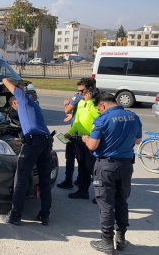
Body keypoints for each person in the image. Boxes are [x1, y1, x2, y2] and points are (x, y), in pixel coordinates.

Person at [82, 92, 142, 254]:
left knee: (106, 204)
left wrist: (86, 139)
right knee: (122, 201)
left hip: (106, 166)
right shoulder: (133, 117)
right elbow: (137, 141)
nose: (100, 112)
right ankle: (121, 239)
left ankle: (107, 241)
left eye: (99, 109)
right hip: (126, 165)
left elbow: (93, 146)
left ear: (102, 105)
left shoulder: (102, 119)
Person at [0, 78, 53, 226]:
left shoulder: (21, 99)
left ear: (14, 102)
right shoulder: (34, 106)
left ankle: (15, 215)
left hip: (34, 144)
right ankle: (45, 215)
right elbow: (34, 128)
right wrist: (21, 142)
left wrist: (18, 83)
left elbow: (5, 80)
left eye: (13, 107)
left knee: (20, 179)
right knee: (45, 181)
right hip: (46, 142)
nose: (15, 110)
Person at [64, 78, 100, 201]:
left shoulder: (97, 103)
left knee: (94, 168)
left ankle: (100, 194)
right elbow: (77, 121)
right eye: (78, 91)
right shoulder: (80, 102)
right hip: (80, 139)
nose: (80, 93)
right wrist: (70, 133)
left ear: (90, 89)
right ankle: (83, 191)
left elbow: (99, 118)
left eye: (82, 91)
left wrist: (89, 101)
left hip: (92, 140)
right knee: (83, 167)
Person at [56, 92, 83, 189]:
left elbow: (67, 110)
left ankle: (68, 181)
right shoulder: (96, 96)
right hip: (87, 130)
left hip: (76, 129)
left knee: (70, 156)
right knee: (82, 157)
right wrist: (73, 116)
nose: (80, 91)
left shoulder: (79, 96)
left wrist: (66, 104)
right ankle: (80, 179)